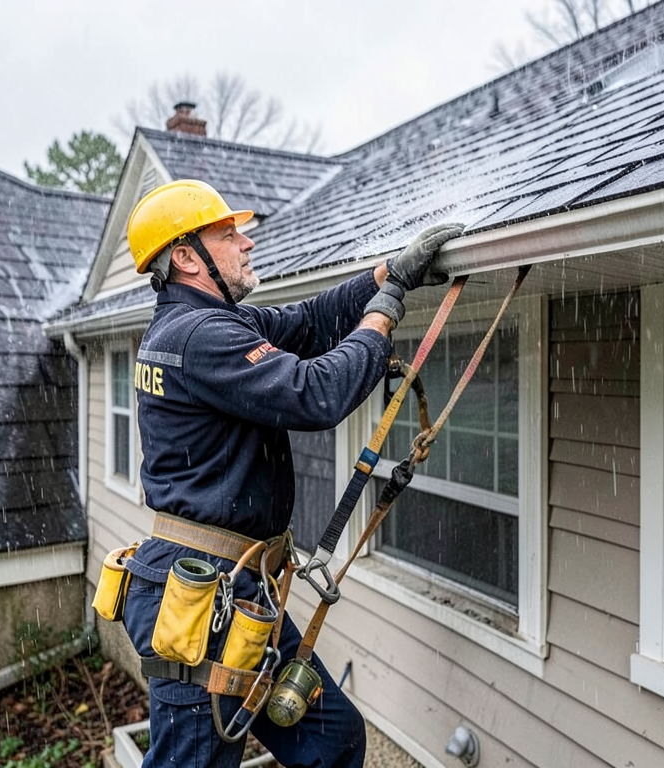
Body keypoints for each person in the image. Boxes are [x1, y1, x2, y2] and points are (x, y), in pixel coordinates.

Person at [121, 179, 462, 768]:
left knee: (331, 740)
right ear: (184, 257)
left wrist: (386, 276)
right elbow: (315, 395)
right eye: (227, 234)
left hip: (234, 591)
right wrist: (383, 318)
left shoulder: (201, 325)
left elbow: (307, 322)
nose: (246, 242)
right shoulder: (201, 337)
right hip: (205, 601)